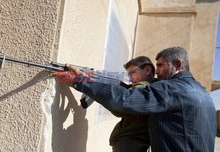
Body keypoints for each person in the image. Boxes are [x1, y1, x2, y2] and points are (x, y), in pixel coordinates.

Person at [52, 47, 216, 152]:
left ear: (178, 65)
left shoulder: (173, 89)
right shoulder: (204, 95)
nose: (157, 72)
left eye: (160, 66)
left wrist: (80, 80)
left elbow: (124, 100)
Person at [110, 56, 155, 152]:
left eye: (132, 73)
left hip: (129, 145)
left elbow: (119, 107)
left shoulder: (142, 89)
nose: (130, 78)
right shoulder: (150, 91)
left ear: (147, 70)